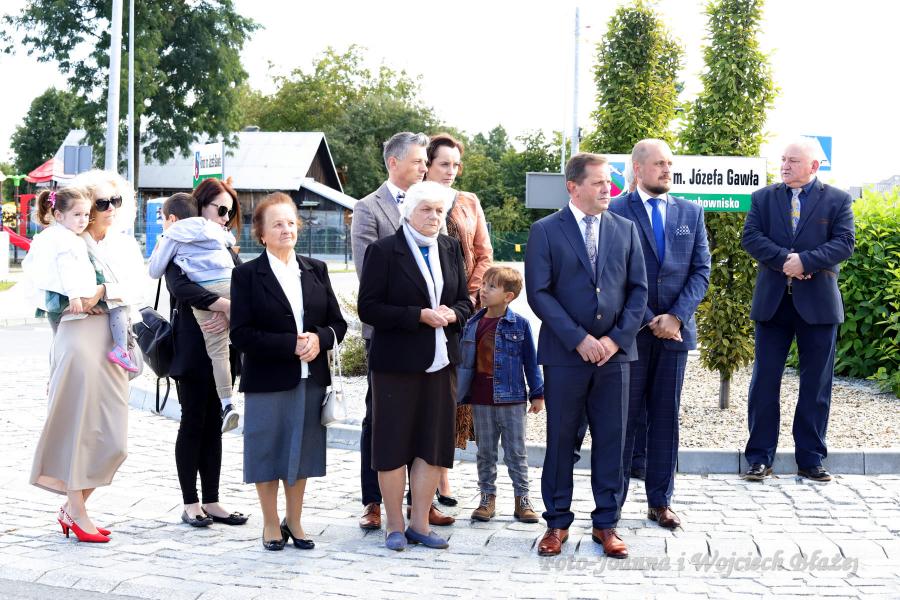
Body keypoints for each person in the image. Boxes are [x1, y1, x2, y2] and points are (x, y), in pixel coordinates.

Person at [524, 153, 647, 559]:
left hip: (615, 357)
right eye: (598, 182)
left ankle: (606, 524)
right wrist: (579, 339)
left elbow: (638, 291)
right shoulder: (545, 231)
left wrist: (613, 340)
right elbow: (539, 293)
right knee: (561, 440)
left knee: (612, 440)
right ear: (573, 187)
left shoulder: (626, 229)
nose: (607, 189)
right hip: (564, 356)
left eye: (609, 182)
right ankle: (556, 523)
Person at [29, 169, 148, 543]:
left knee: (113, 439)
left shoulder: (123, 245)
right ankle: (77, 511)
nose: (111, 208)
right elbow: (43, 295)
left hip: (111, 342)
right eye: (103, 202)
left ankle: (72, 507)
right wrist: (74, 300)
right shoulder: (63, 241)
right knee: (76, 425)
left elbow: (139, 289)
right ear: (85, 206)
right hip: (77, 337)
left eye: (116, 201)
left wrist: (102, 291)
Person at [357, 180, 472, 551]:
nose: (434, 217)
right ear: (408, 213)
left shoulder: (450, 248)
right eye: (426, 210)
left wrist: (452, 314)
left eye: (439, 210)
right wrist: (417, 315)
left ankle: (419, 524)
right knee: (392, 445)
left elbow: (465, 301)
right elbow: (369, 308)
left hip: (442, 363)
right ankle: (394, 524)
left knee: (432, 444)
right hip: (396, 365)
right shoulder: (383, 251)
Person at [230, 192, 347, 551]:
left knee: (302, 452)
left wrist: (319, 339)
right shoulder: (247, 275)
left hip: (311, 379)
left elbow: (338, 324)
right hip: (268, 379)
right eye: (277, 224)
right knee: (267, 451)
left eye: (291, 223)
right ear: (261, 233)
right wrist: (289, 344)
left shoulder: (316, 269)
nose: (286, 229)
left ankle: (294, 520)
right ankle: (270, 522)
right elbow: (240, 334)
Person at [350, 132, 454, 530]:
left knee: (426, 423)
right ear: (393, 163)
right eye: (417, 161)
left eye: (426, 162)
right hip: (389, 336)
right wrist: (416, 312)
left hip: (435, 338)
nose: (425, 168)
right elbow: (368, 273)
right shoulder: (368, 208)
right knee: (382, 422)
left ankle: (420, 505)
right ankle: (374, 501)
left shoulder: (435, 206)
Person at [610, 139, 711, 529]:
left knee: (666, 418)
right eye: (658, 164)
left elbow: (700, 271)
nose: (667, 169)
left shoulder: (691, 212)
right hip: (631, 333)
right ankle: (611, 505)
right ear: (637, 169)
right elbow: (613, 274)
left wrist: (677, 317)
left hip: (675, 336)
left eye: (670, 163)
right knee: (623, 420)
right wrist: (652, 318)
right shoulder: (616, 210)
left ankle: (660, 501)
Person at [741, 139, 855, 483]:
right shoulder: (763, 198)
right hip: (773, 304)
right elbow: (751, 237)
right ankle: (759, 457)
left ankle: (811, 458)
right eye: (783, 159)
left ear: (814, 166)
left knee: (816, 385)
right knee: (764, 381)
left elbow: (844, 242)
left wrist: (805, 261)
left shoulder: (838, 199)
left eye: (793, 160)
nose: (785, 165)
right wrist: (785, 262)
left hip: (818, 305)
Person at [163, 177, 247, 528]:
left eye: (231, 212)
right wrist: (222, 305)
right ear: (201, 207)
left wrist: (229, 309)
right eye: (221, 210)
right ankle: (190, 503)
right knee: (193, 420)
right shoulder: (181, 241)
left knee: (216, 423)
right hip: (192, 346)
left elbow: (244, 282)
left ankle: (212, 499)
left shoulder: (223, 246)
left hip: (223, 348)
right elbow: (178, 285)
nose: (226, 218)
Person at [424, 132, 494, 506]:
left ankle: (443, 473)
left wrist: (467, 296)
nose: (451, 170)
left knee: (455, 394)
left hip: (464, 308)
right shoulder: (417, 200)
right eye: (443, 163)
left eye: (455, 165)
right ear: (427, 165)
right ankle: (425, 475)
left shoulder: (468, 202)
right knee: (429, 393)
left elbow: (484, 254)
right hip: (425, 308)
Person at [148, 192, 241, 432]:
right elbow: (230, 241)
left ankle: (228, 404)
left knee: (218, 351)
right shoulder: (212, 229)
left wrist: (160, 244)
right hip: (230, 283)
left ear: (171, 218)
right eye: (222, 210)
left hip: (206, 288)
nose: (226, 217)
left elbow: (155, 271)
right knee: (241, 334)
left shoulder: (173, 234)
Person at [457, 266, 543, 523]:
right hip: (481, 400)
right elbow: (464, 364)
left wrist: (537, 393)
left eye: (491, 286)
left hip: (512, 400)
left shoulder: (520, 324)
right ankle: (487, 497)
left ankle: (522, 499)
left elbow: (531, 361)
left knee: (516, 452)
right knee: (485, 452)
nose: (483, 290)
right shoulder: (472, 324)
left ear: (508, 296)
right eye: (483, 284)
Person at [24, 187, 138, 372]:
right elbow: (67, 268)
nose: (83, 219)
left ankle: (56, 375)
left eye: (86, 214)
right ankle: (121, 349)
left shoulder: (51, 236)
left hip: (55, 298)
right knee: (118, 305)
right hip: (69, 296)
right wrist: (74, 296)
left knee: (59, 343)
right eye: (77, 214)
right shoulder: (69, 239)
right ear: (59, 215)